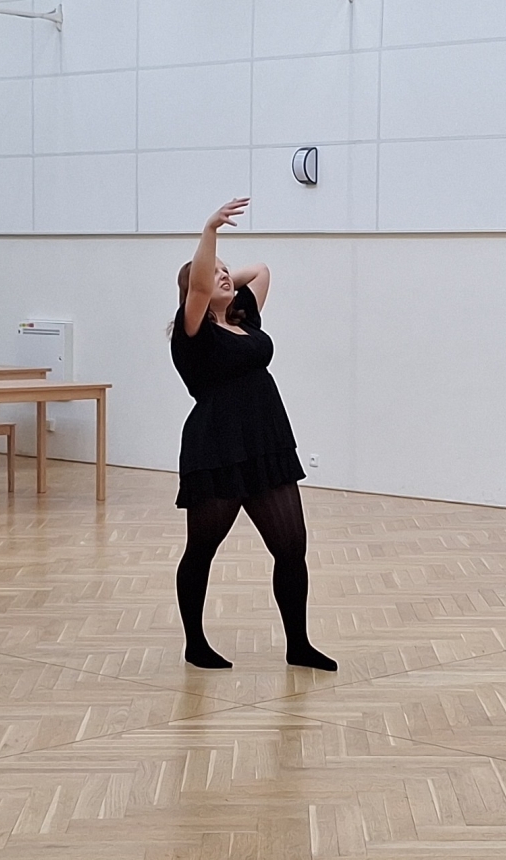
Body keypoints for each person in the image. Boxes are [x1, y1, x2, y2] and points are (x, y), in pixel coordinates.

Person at [171, 198, 334, 672]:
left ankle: (298, 644)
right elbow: (200, 286)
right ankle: (195, 643)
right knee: (202, 550)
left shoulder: (244, 320)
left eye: (227, 271)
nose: (225, 276)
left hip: (266, 445)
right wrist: (209, 232)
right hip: (216, 450)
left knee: (292, 548)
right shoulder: (192, 332)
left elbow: (260, 270)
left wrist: (225, 277)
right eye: (216, 272)